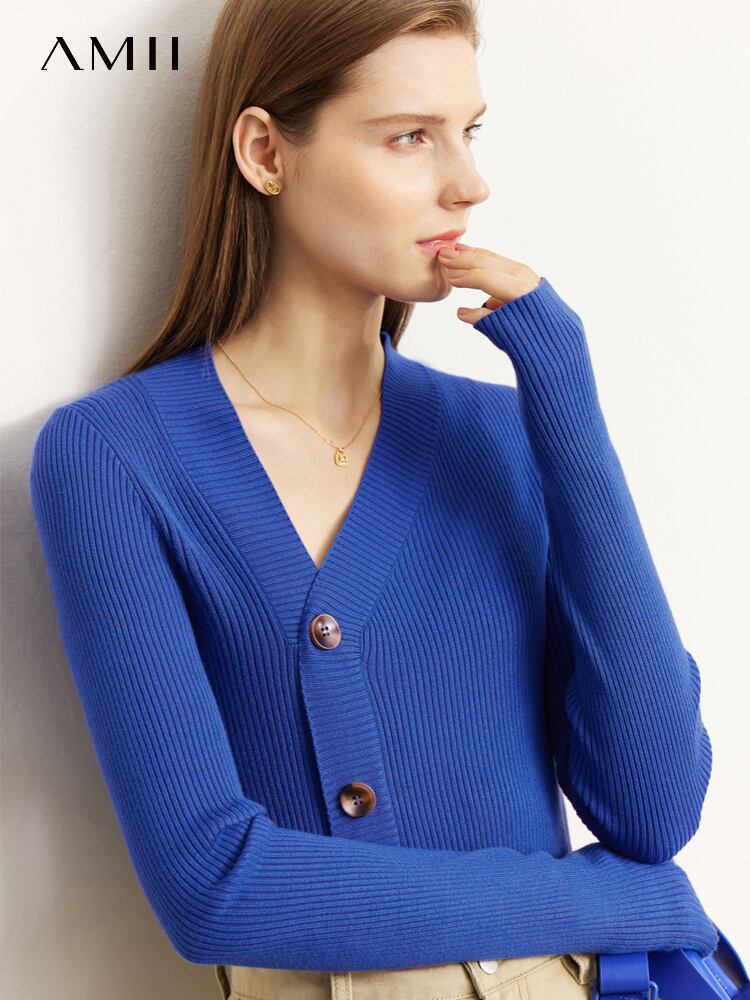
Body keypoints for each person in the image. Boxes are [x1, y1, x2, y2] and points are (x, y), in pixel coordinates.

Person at [28, 0, 719, 997]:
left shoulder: (505, 435)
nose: (468, 184)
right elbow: (215, 888)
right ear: (266, 152)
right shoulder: (117, 456)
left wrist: (566, 407)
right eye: (410, 138)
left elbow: (652, 808)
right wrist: (612, 900)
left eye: (469, 131)